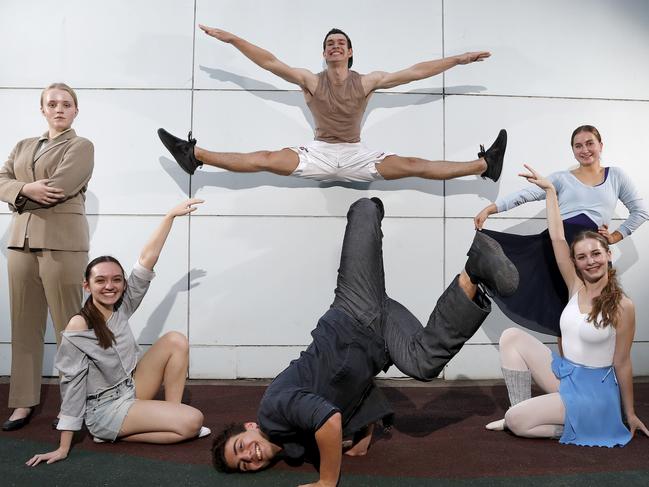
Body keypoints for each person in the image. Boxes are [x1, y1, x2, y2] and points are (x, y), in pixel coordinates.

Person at [210, 197, 519, 485]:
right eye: (244, 464)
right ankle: (475, 269)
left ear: (249, 427)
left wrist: (327, 481)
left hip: (352, 312)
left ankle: (367, 208)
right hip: (379, 340)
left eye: (241, 447)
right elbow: (345, 409)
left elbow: (329, 418)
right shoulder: (294, 446)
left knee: (364, 211)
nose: (249, 456)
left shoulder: (273, 411)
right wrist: (360, 437)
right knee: (424, 363)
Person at [158, 26, 507, 183]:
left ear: (351, 52)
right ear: (324, 53)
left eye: (341, 43)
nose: (335, 47)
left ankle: (484, 166)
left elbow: (415, 72)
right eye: (330, 44)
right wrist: (234, 39)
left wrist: (459, 59)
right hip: (319, 152)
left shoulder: (368, 81)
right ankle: (194, 155)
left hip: (358, 154)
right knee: (265, 159)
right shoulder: (311, 80)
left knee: (415, 164)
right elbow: (270, 62)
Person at [25, 199, 210, 467]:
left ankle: (173, 414)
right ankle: (112, 433)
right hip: (105, 408)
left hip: (130, 388)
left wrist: (169, 216)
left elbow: (147, 260)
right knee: (193, 422)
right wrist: (63, 446)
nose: (109, 286)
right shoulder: (80, 325)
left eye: (116, 280)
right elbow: (72, 383)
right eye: (100, 280)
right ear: (86, 286)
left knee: (175, 340)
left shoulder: (122, 305)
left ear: (123, 284)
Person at [484, 165, 649, 446]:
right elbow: (557, 238)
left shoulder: (623, 305)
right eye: (582, 257)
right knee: (511, 337)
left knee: (517, 422)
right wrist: (550, 191)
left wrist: (629, 413)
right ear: (575, 262)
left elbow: (622, 363)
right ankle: (520, 409)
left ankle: (575, 423)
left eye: (596, 253)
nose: (590, 261)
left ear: (608, 255)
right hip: (567, 375)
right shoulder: (575, 286)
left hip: (593, 393)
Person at [473, 125, 648, 336]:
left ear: (601, 146)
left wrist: (615, 237)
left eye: (590, 143)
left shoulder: (616, 176)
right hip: (556, 250)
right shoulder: (562, 178)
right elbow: (526, 194)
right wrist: (490, 209)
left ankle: (597, 363)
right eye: (578, 146)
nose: (585, 150)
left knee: (595, 316)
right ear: (573, 150)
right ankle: (568, 367)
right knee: (563, 317)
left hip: (590, 255)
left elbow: (640, 212)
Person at [0, 83, 94, 431]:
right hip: (20, 244)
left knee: (71, 330)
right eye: (52, 104)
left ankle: (75, 405)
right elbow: (1, 179)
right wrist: (24, 189)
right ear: (43, 109)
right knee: (23, 328)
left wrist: (17, 190)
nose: (59, 109)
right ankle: (22, 404)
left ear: (75, 110)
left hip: (63, 245)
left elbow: (59, 188)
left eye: (66, 104)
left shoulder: (81, 146)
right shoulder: (24, 145)